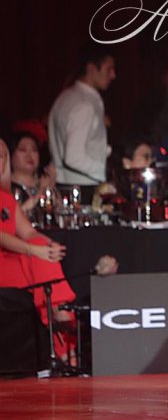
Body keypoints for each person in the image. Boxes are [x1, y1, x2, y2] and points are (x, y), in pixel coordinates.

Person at [0, 139, 76, 363]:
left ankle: (60, 319)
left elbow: (28, 232)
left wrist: (49, 245)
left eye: (1, 156)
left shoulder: (6, 198)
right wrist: (34, 250)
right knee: (38, 260)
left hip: (13, 260)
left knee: (42, 251)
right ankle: (65, 338)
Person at [48, 45, 116, 203]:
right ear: (91, 68)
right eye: (109, 69)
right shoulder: (85, 104)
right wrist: (108, 173)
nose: (113, 75)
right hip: (84, 189)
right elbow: (74, 157)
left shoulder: (64, 97)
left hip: (64, 185)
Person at [8, 131, 56, 218]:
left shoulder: (43, 181)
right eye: (23, 150)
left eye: (34, 150)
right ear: (11, 155)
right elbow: (16, 218)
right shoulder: (7, 187)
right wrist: (41, 191)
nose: (29, 155)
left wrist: (51, 187)